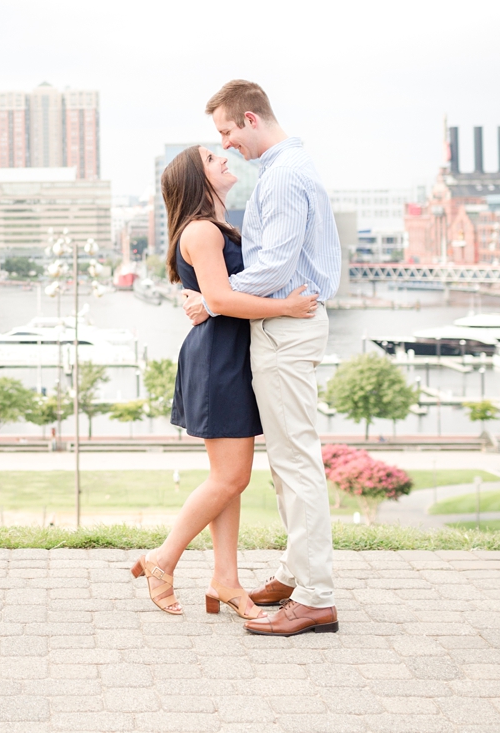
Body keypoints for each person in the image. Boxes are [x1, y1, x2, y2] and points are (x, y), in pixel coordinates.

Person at [183, 79, 342, 637]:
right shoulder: (293, 166)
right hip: (285, 326)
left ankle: (316, 595)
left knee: (296, 464)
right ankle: (295, 574)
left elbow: (273, 270)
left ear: (250, 120)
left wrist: (211, 298)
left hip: (284, 328)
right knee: (287, 463)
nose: (226, 145)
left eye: (226, 131)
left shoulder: (281, 176)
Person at [131, 145, 317, 618]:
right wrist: (286, 307)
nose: (224, 159)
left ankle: (226, 581)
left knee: (228, 480)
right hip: (218, 360)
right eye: (213, 157)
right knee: (231, 477)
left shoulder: (214, 228)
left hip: (228, 355)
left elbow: (220, 294)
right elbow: (223, 299)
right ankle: (162, 560)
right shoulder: (201, 231)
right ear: (199, 177)